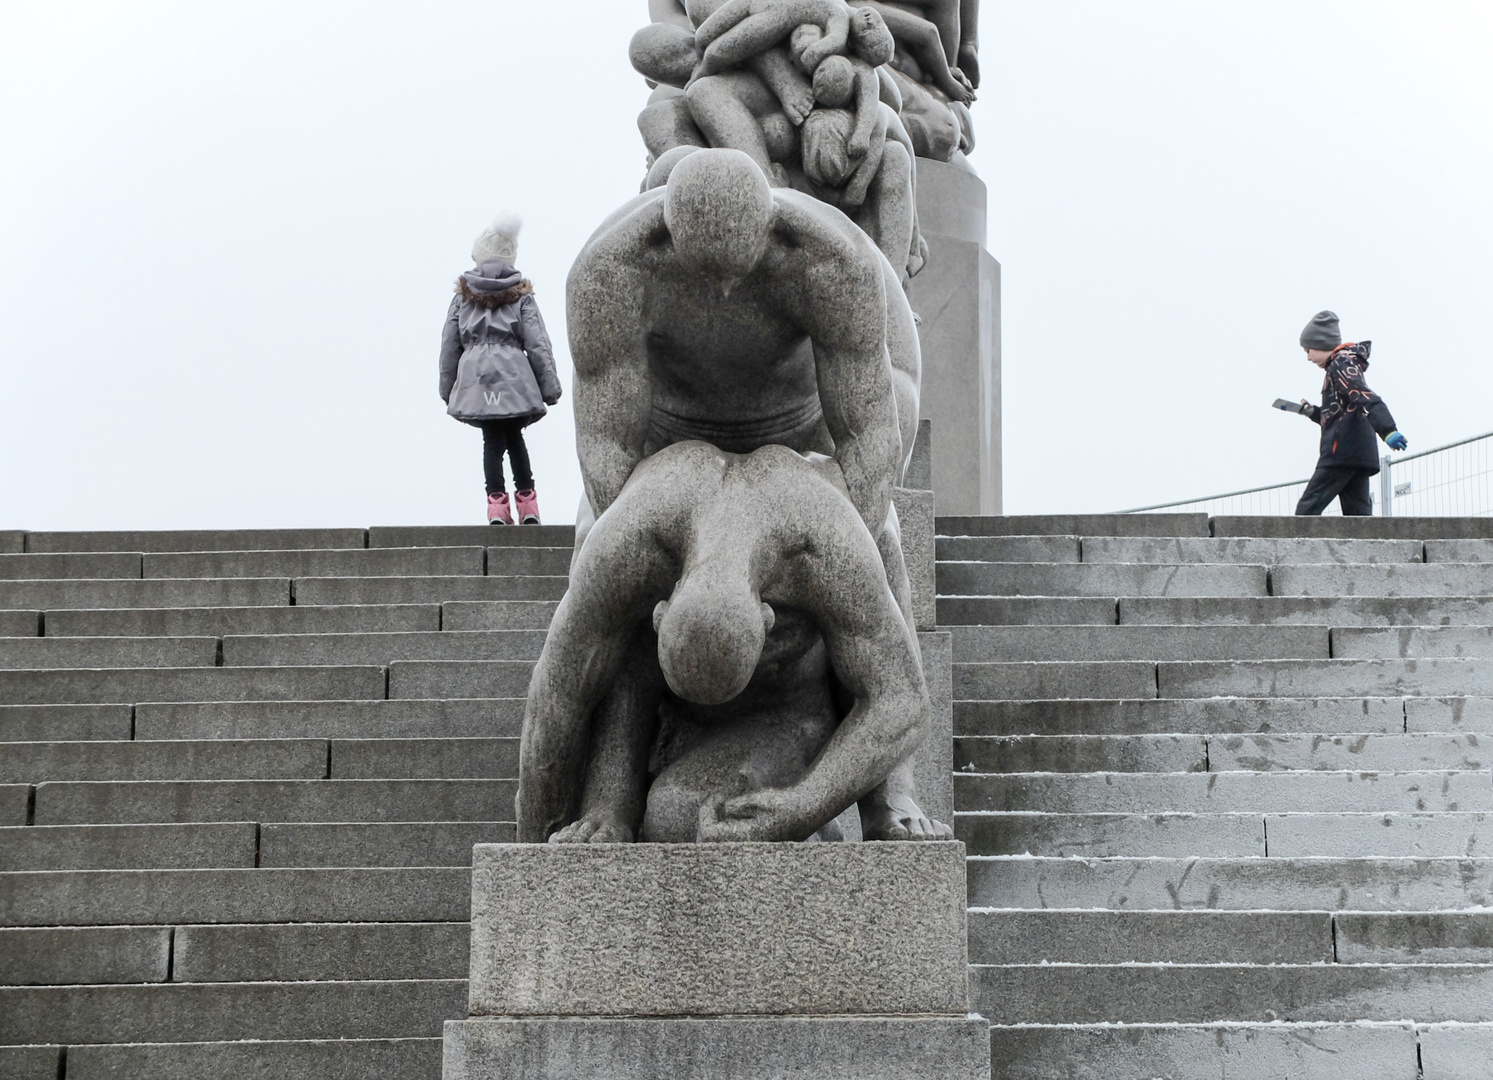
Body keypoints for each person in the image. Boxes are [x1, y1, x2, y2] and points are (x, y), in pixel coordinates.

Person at [516, 440, 949, 844]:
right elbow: (559, 691)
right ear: (661, 611)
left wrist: (805, 803)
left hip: (785, 704)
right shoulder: (633, 531)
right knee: (613, 616)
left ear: (768, 621)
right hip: (659, 697)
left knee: (678, 816)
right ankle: (612, 794)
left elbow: (904, 699)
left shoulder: (821, 533)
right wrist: (534, 848)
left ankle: (886, 797)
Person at [438, 215, 563, 525]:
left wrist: (448, 387)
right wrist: (550, 387)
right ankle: (529, 505)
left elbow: (450, 345)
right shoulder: (521, 296)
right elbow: (537, 343)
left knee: (492, 442)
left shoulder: (462, 297)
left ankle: (496, 507)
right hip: (514, 377)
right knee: (515, 438)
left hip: (477, 378)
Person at [1293, 310, 1408, 516]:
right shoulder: (1342, 364)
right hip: (1357, 452)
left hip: (1341, 452)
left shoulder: (1340, 364)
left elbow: (1364, 396)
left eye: (1308, 350)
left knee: (1306, 510)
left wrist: (1388, 430)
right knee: (1359, 517)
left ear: (1321, 344)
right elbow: (1341, 415)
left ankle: (1295, 548)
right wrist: (1312, 412)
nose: (1308, 358)